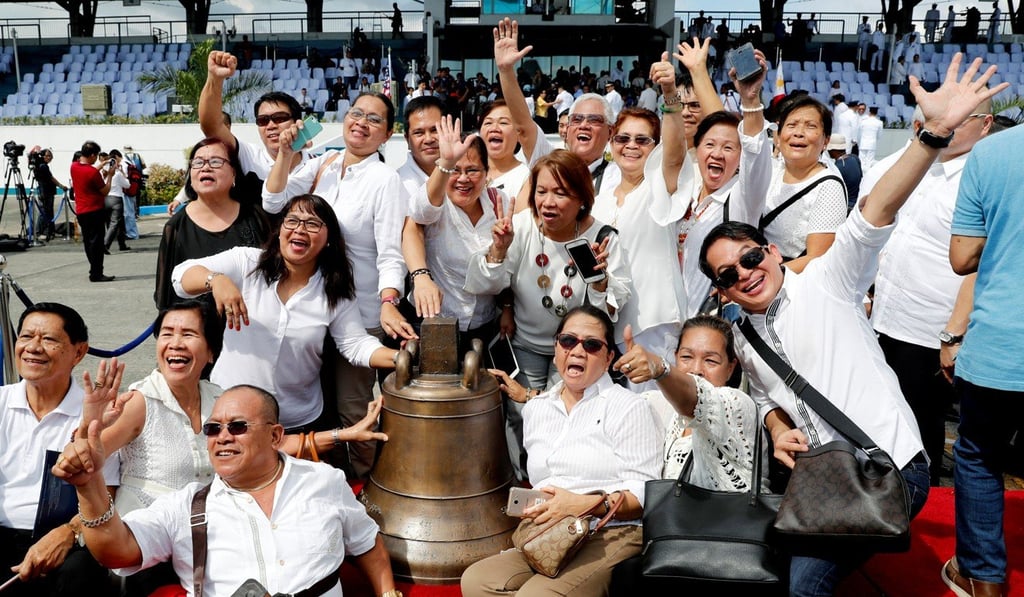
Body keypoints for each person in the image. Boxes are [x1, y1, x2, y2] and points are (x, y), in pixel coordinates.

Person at [699, 52, 1004, 595]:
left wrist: (932, 133)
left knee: (802, 588)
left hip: (882, 470)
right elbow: (768, 394)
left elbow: (874, 214)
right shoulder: (740, 331)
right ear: (719, 290)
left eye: (750, 259)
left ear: (771, 250)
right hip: (818, 476)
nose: (744, 275)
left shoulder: (827, 281)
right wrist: (774, 427)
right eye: (728, 275)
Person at [54, 385, 404, 597]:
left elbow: (365, 542)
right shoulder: (187, 505)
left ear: (275, 436)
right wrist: (89, 485)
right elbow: (117, 552)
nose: (223, 436)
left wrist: (388, 591)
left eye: (237, 427)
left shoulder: (323, 481)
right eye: (212, 428)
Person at [264, 93, 414, 477]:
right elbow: (273, 200)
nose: (361, 123)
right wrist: (284, 153)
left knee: (354, 408)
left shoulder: (385, 180)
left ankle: (366, 485)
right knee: (312, 403)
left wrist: (389, 299)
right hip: (311, 307)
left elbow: (390, 251)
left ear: (387, 134)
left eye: (374, 120)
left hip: (358, 314)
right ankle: (312, 480)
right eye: (356, 113)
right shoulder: (323, 164)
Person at [463, 306, 660, 596]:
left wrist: (582, 504)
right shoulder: (537, 409)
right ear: (556, 348)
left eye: (591, 345)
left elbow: (643, 495)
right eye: (568, 341)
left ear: (608, 359)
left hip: (611, 530)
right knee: (476, 581)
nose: (578, 351)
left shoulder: (629, 407)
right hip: (550, 532)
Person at [465, 150, 631, 478]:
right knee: (521, 416)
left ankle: (565, 486)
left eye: (561, 193)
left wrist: (599, 280)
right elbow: (484, 283)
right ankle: (526, 488)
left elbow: (611, 310)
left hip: (575, 349)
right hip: (524, 344)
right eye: (541, 191)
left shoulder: (603, 238)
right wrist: (499, 249)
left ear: (583, 198)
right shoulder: (521, 228)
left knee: (569, 416)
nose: (549, 202)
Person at [173, 194, 400, 433]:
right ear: (280, 230)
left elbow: (355, 344)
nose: (300, 229)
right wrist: (215, 280)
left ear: (329, 239)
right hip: (230, 411)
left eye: (312, 224)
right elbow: (180, 276)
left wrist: (400, 359)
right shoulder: (246, 263)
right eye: (292, 221)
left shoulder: (335, 290)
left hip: (296, 420)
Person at [869, 100, 993, 486]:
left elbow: (980, 263)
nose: (949, 125)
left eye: (961, 118)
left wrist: (954, 333)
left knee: (921, 426)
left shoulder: (982, 178)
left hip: (930, 331)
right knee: (879, 419)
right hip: (882, 319)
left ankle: (918, 509)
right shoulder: (918, 166)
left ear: (985, 124)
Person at [942, 86, 1021, 597]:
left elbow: (963, 256)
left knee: (978, 456)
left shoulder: (992, 152)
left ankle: (984, 579)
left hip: (1003, 340)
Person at [0, 303, 120, 597]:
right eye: (26, 337)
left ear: (79, 352)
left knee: (80, 574)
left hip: (66, 534)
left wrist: (69, 534)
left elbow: (109, 496)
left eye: (49, 340)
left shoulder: (95, 413)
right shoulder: (2, 403)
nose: (34, 348)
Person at [590, 54, 688, 377]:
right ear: (611, 142)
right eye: (623, 138)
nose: (631, 146)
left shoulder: (661, 184)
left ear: (655, 146)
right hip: (609, 322)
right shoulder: (602, 194)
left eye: (642, 140)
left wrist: (670, 93)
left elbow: (675, 152)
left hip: (654, 327)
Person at [739, 60, 849, 273]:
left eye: (810, 126)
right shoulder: (772, 170)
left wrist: (761, 278)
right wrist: (750, 98)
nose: (799, 133)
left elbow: (818, 259)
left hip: (791, 286)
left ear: (825, 140)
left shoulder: (828, 186)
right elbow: (749, 143)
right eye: (791, 125)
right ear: (778, 138)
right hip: (758, 280)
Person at [405, 116, 507, 343]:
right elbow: (419, 214)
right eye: (455, 170)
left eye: (472, 170)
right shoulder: (436, 197)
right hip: (434, 323)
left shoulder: (500, 202)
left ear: (486, 172)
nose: (463, 179)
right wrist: (445, 163)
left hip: (483, 325)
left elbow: (510, 269)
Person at [155, 138, 270, 310]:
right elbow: (166, 295)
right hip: (199, 331)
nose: (205, 167)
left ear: (234, 173)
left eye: (216, 162)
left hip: (250, 327)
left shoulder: (256, 217)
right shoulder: (176, 226)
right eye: (198, 162)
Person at [200, 51, 310, 190]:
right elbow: (211, 127)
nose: (271, 126)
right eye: (263, 120)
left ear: (297, 121)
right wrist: (214, 79)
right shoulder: (250, 157)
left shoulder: (317, 165)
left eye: (279, 118)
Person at [71, 141, 117, 282]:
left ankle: (93, 269)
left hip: (81, 211)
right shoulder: (91, 172)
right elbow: (105, 191)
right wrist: (110, 175)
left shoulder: (74, 166)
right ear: (92, 155)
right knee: (97, 244)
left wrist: (101, 166)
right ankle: (96, 273)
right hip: (95, 210)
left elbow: (88, 174)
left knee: (88, 242)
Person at [30, 148, 67, 242]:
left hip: (47, 191)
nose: (49, 158)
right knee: (44, 212)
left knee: (49, 212)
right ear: (43, 156)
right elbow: (51, 178)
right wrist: (61, 186)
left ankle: (50, 231)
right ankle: (39, 232)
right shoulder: (43, 166)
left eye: (50, 156)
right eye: (47, 155)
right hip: (45, 191)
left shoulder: (40, 165)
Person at [102, 149, 131, 254]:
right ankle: (105, 244)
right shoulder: (117, 174)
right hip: (116, 199)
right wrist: (123, 172)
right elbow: (127, 185)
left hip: (105, 198)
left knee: (118, 222)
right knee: (115, 223)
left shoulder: (103, 173)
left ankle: (122, 244)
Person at [826, 134, 862, 209]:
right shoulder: (854, 158)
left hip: (846, 206)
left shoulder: (837, 167)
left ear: (833, 150)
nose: (828, 151)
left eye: (829, 149)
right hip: (856, 204)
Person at [858, 106, 884, 170]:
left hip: (863, 143)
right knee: (869, 161)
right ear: (876, 113)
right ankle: (867, 175)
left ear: (869, 112)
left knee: (861, 160)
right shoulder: (879, 122)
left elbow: (859, 133)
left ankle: (861, 174)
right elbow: (879, 135)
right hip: (872, 143)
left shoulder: (863, 121)